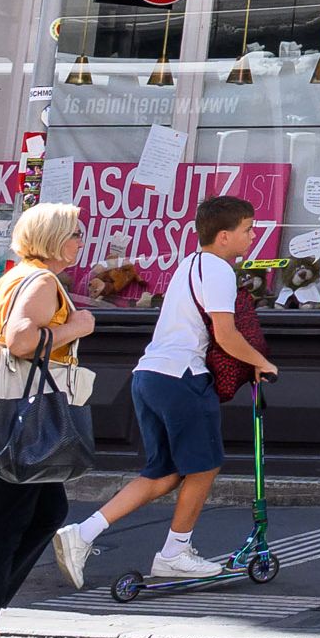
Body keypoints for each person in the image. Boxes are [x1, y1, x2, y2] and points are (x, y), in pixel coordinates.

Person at [50, 194, 275, 589]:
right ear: (223, 236)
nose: (252, 236)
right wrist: (261, 362)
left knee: (164, 472)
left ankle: (81, 534)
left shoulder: (189, 264)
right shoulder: (219, 270)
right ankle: (175, 553)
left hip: (150, 376)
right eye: (247, 229)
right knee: (204, 466)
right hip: (182, 377)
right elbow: (226, 334)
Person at [0, 204, 94, 638]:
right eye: (74, 233)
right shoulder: (41, 282)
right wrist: (77, 326)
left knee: (47, 509)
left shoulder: (14, 279)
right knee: (5, 522)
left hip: (5, 417)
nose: (80, 240)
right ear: (52, 238)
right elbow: (21, 341)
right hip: (22, 419)